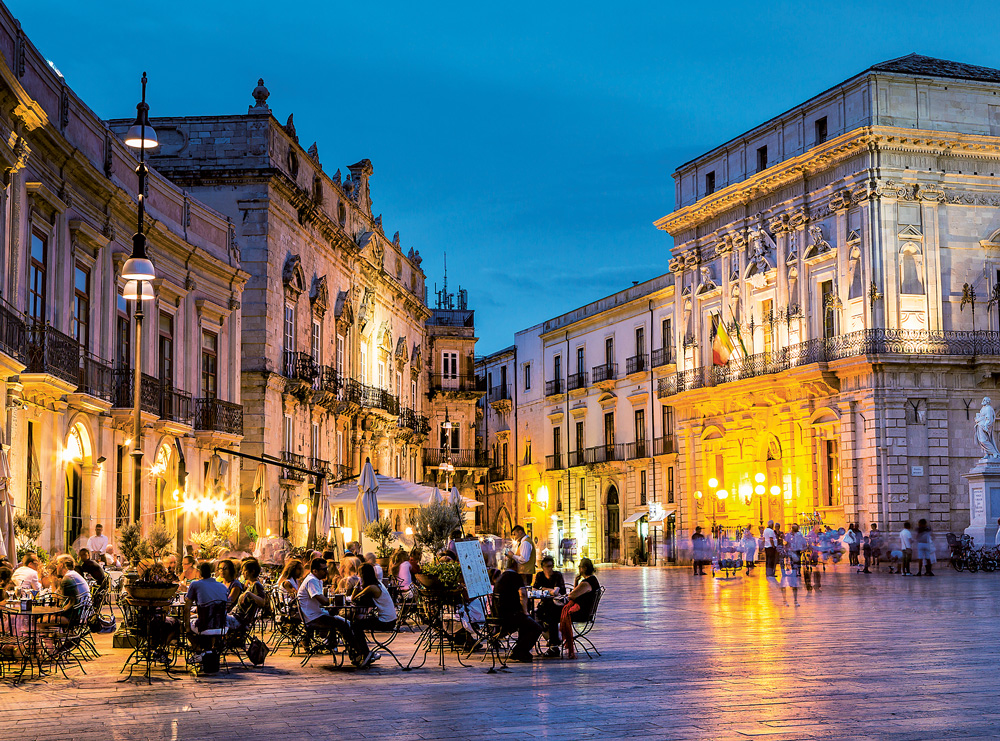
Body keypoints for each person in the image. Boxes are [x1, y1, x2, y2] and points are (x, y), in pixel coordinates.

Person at [297, 558, 374, 667]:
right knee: (343, 624)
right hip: (314, 617)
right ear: (315, 571)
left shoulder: (316, 579)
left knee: (346, 622)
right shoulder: (311, 580)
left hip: (318, 613)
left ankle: (358, 653)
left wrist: (332, 604)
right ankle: (358, 654)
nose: (326, 571)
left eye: (326, 569)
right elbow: (323, 600)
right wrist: (336, 600)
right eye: (323, 569)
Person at [493, 555, 543, 662]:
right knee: (536, 627)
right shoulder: (514, 576)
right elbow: (523, 594)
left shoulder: (502, 576)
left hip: (499, 614)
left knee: (526, 625)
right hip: (510, 615)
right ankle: (520, 651)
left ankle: (519, 651)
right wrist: (525, 612)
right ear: (516, 565)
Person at [560, 558, 600, 659]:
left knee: (555, 615)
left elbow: (572, 596)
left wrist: (576, 583)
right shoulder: (593, 580)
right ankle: (556, 642)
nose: (578, 569)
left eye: (579, 567)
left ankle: (555, 643)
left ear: (584, 568)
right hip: (586, 612)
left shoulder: (586, 583)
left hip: (581, 613)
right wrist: (576, 582)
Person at [532, 555, 566, 656]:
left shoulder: (557, 575)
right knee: (535, 617)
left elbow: (556, 592)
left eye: (551, 566)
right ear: (542, 567)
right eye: (547, 566)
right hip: (544, 605)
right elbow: (534, 590)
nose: (549, 569)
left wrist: (543, 588)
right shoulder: (540, 575)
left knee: (551, 616)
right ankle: (553, 641)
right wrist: (548, 590)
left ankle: (553, 645)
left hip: (558, 605)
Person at [353, 563, 397, 632]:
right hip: (392, 620)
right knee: (359, 623)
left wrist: (357, 583)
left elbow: (354, 598)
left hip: (386, 622)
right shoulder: (378, 583)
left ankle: (360, 643)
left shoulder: (371, 587)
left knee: (356, 625)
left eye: (359, 574)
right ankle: (359, 642)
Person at [228, 560, 267, 630]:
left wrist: (249, 594)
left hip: (239, 620)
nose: (242, 573)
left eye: (244, 570)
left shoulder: (256, 585)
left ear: (252, 571)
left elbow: (262, 602)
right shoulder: (250, 585)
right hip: (234, 616)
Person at [54, 555, 92, 625]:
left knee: (40, 621)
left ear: (61, 565)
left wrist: (56, 614)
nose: (56, 567)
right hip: (84, 615)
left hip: (76, 618)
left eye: (57, 564)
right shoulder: (73, 575)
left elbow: (62, 602)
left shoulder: (68, 578)